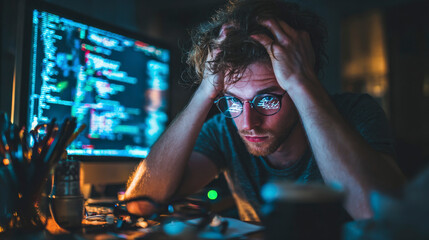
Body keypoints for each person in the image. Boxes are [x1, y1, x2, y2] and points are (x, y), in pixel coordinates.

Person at [125, 0, 405, 222]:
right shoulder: (224, 129)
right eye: (233, 100)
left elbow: (382, 215)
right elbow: (139, 203)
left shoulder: (357, 113)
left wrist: (301, 83)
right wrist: (205, 91)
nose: (248, 123)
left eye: (267, 100)